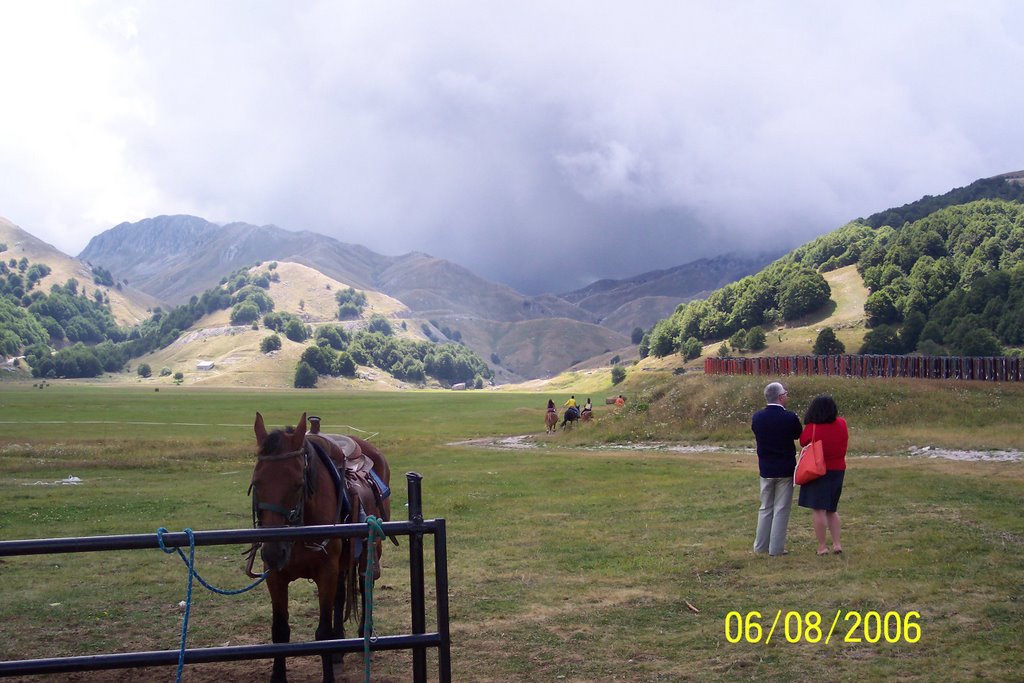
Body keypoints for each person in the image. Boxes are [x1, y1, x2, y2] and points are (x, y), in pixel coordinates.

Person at [751, 382, 802, 556]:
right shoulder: (790, 417)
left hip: (765, 468)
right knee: (781, 508)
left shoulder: (757, 417)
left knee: (765, 507)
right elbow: (798, 434)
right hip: (785, 468)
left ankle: (760, 546)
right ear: (780, 397)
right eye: (785, 394)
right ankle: (776, 548)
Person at [798, 395, 848, 555]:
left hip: (817, 470)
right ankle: (837, 544)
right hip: (838, 469)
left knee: (818, 510)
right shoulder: (842, 424)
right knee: (832, 509)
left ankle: (822, 546)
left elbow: (803, 441)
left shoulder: (812, 428)